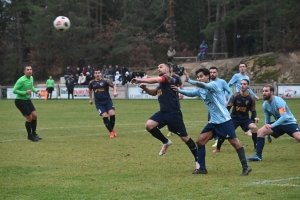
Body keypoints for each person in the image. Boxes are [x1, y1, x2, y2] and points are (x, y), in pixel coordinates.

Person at [172, 68, 252, 176]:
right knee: (200, 141)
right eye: (198, 77)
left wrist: (189, 80)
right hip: (214, 122)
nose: (200, 78)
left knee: (234, 142)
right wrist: (179, 90)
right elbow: (191, 94)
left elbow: (204, 86)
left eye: (201, 76)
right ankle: (202, 169)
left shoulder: (214, 85)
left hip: (224, 120)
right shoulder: (201, 90)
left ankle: (245, 167)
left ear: (207, 76)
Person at [130, 63, 199, 170]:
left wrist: (140, 80)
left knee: (185, 138)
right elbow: (154, 93)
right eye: (157, 67)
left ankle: (198, 161)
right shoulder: (163, 83)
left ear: (168, 69)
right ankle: (166, 142)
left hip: (174, 113)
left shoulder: (167, 78)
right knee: (149, 125)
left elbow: (160, 80)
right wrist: (146, 88)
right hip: (163, 112)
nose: (158, 68)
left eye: (161, 67)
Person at [247, 84, 300, 162]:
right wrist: (268, 135)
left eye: (266, 91)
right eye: (263, 91)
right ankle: (258, 156)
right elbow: (267, 120)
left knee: (298, 138)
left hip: (289, 123)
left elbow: (284, 117)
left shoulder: (279, 101)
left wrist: (272, 125)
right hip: (278, 124)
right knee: (260, 132)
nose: (264, 93)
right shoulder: (265, 105)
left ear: (272, 92)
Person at [213, 79, 259, 153]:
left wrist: (253, 119)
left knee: (254, 127)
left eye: (244, 84)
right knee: (224, 132)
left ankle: (256, 147)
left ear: (248, 86)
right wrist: (224, 116)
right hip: (234, 118)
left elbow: (253, 110)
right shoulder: (235, 96)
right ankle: (218, 148)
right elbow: (228, 107)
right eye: (241, 84)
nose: (242, 85)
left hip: (245, 119)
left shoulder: (251, 98)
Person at [13, 65, 42, 142]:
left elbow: (31, 87)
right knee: (29, 118)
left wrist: (37, 92)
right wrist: (24, 92)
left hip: (27, 100)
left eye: (31, 69)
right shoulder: (21, 80)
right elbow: (14, 90)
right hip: (20, 101)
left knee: (35, 116)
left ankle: (34, 133)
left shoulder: (31, 78)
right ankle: (30, 136)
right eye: (28, 70)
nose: (29, 71)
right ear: (24, 71)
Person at [88, 69, 118, 138]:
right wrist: (90, 99)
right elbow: (89, 90)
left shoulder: (105, 81)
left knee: (112, 114)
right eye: (96, 73)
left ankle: (112, 130)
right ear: (94, 74)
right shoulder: (91, 82)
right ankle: (111, 132)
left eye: (98, 73)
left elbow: (114, 85)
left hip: (107, 101)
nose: (97, 74)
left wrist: (115, 91)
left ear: (101, 74)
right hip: (99, 103)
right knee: (104, 116)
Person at [209, 66, 233, 148]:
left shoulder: (222, 82)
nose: (212, 74)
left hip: (221, 108)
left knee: (221, 123)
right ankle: (217, 138)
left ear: (217, 73)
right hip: (212, 107)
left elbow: (230, 92)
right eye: (211, 72)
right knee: (211, 121)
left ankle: (222, 136)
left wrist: (228, 102)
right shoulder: (208, 83)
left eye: (214, 72)